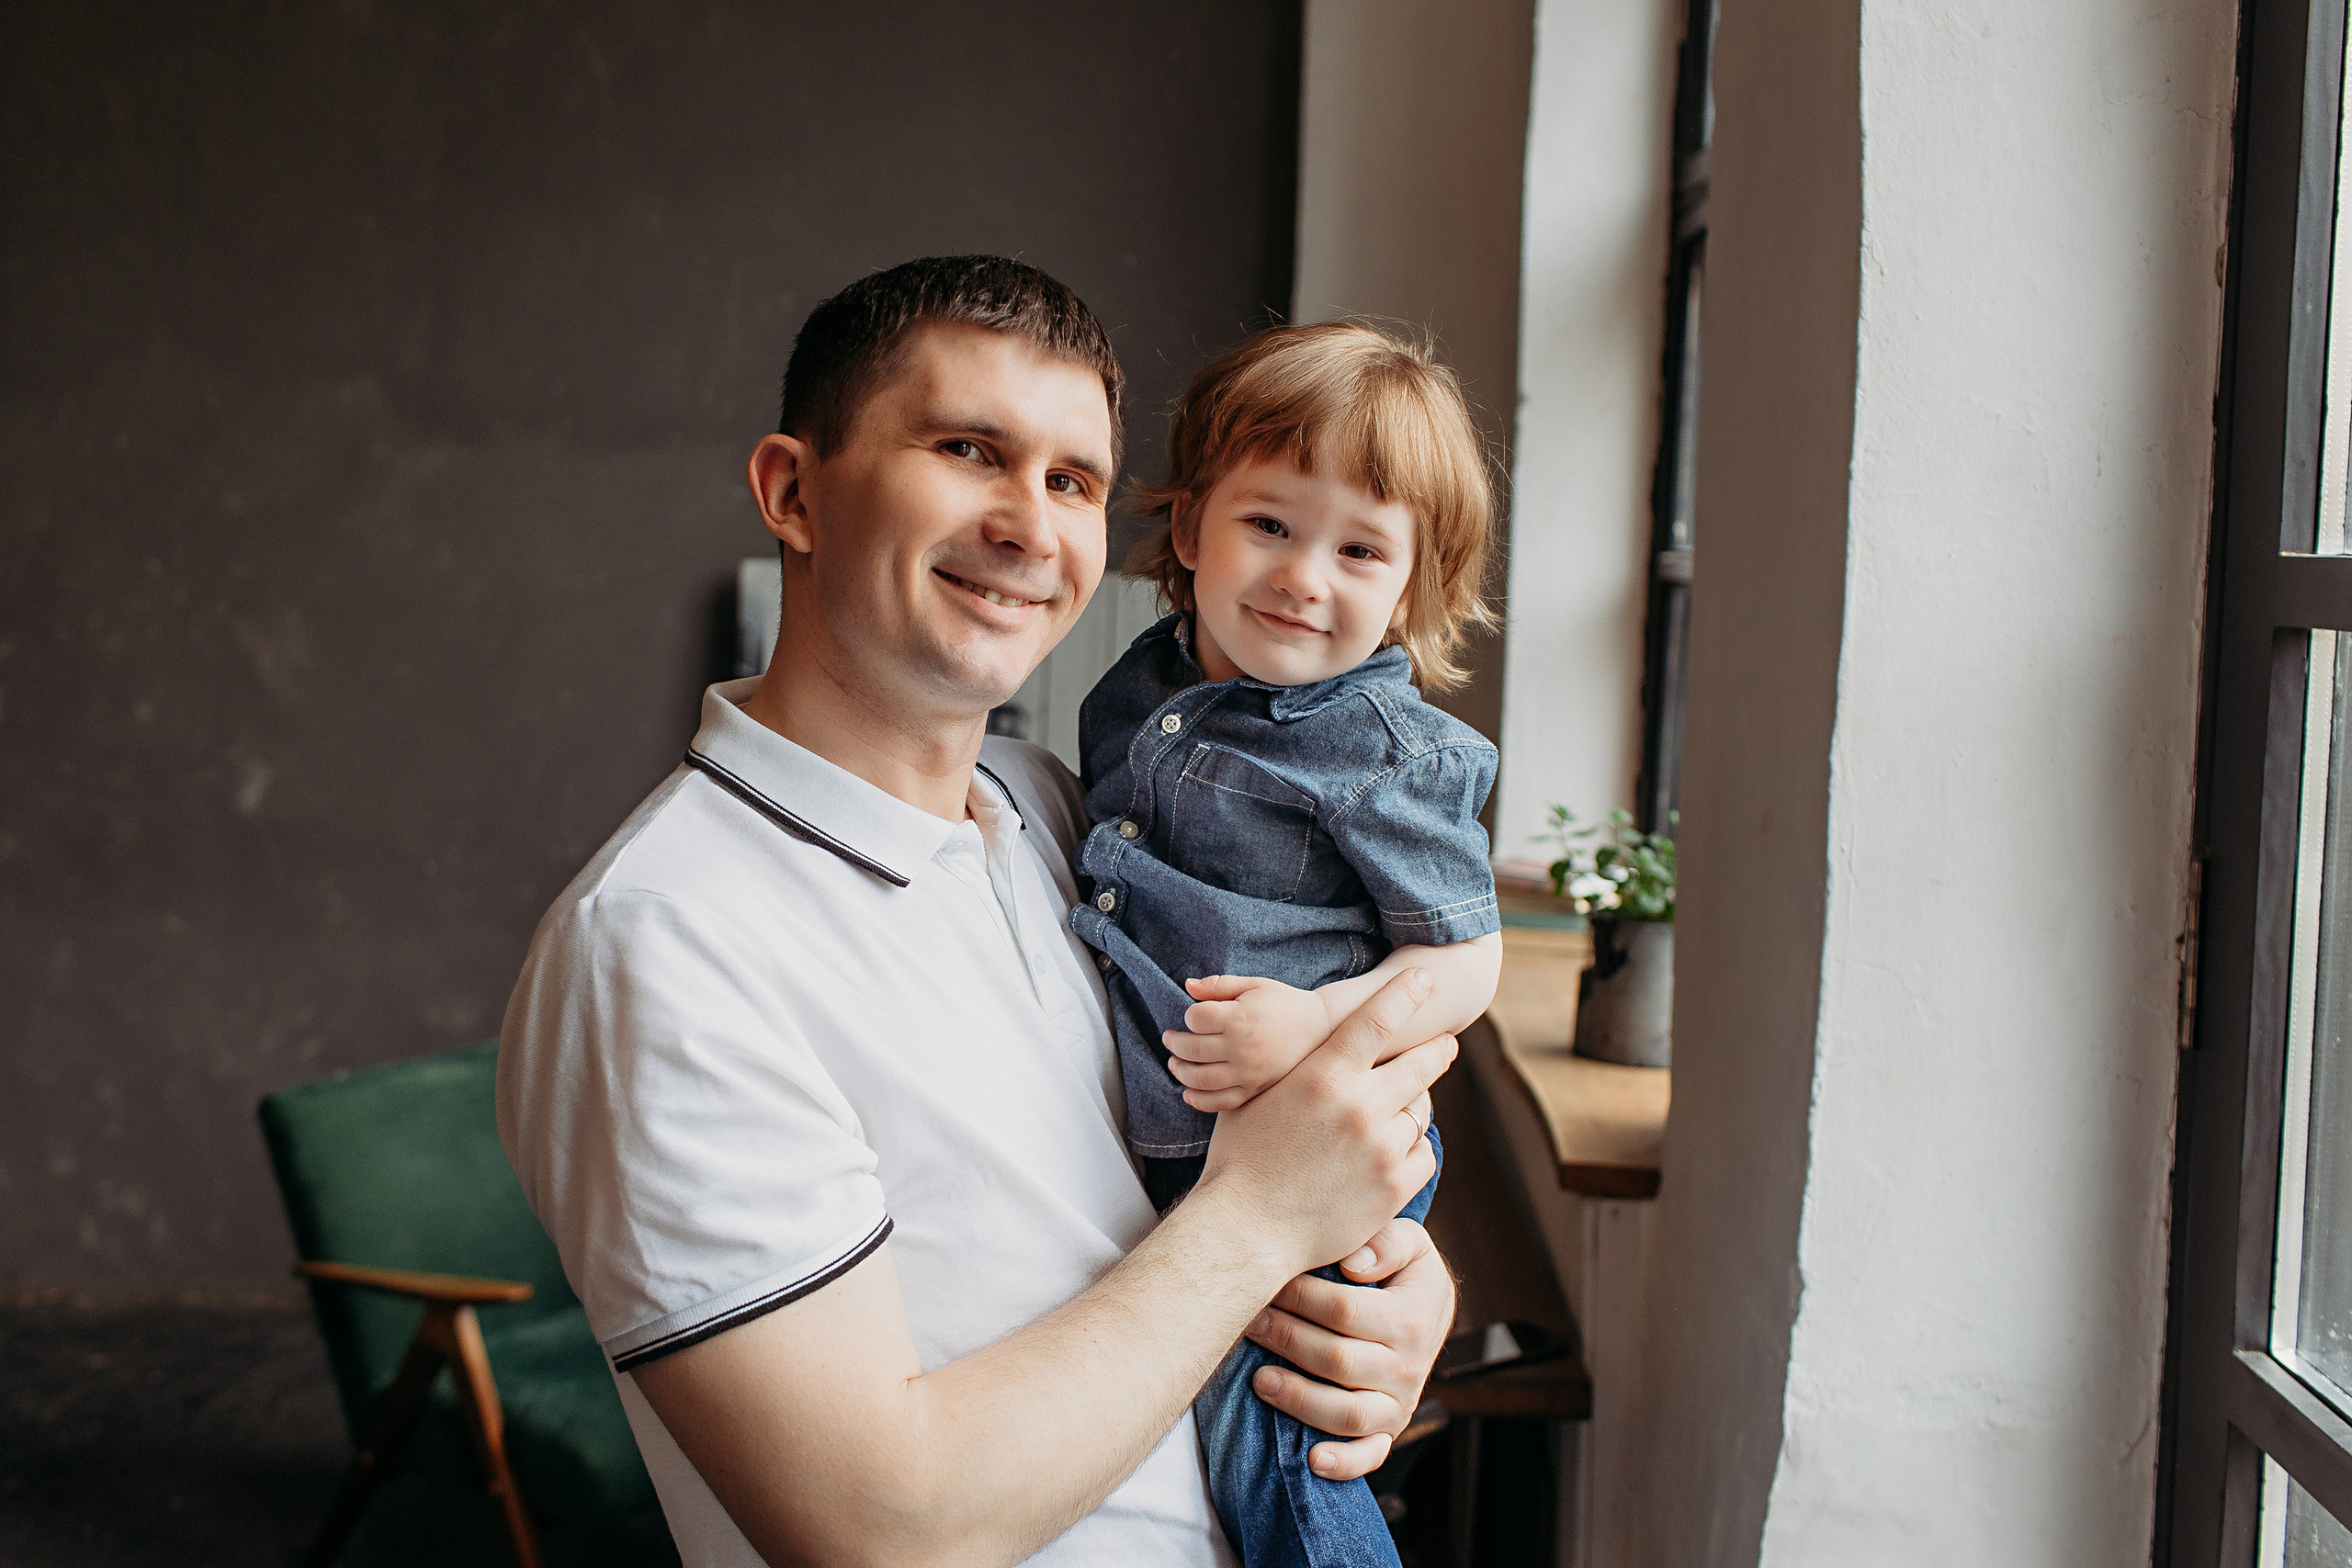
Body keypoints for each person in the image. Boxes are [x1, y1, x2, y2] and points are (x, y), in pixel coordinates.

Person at [496, 256, 1463, 1568]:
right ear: (792, 491)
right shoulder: (667, 942)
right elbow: (875, 1529)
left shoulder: (1066, 813)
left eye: (1072, 481)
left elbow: (1197, 1222)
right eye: (968, 450)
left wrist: (1383, 1301)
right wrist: (1262, 1223)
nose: (1030, 525)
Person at [1069, 323, 1504, 1567]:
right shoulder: (1144, 686)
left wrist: (1321, 1027)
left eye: (1360, 550)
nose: (1304, 577)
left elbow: (1467, 965)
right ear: (1193, 525)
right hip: (1197, 1146)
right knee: (1197, 1426)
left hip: (1306, 1133)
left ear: (1413, 592)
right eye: (1270, 525)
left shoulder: (1384, 752)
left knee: (1279, 1446)